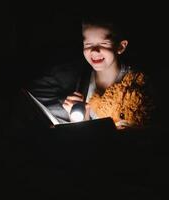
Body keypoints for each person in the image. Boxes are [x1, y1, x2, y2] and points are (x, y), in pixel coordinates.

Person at [26, 14, 156, 128]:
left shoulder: (134, 88)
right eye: (88, 44)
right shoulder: (78, 79)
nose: (94, 51)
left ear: (120, 46)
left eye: (103, 44)